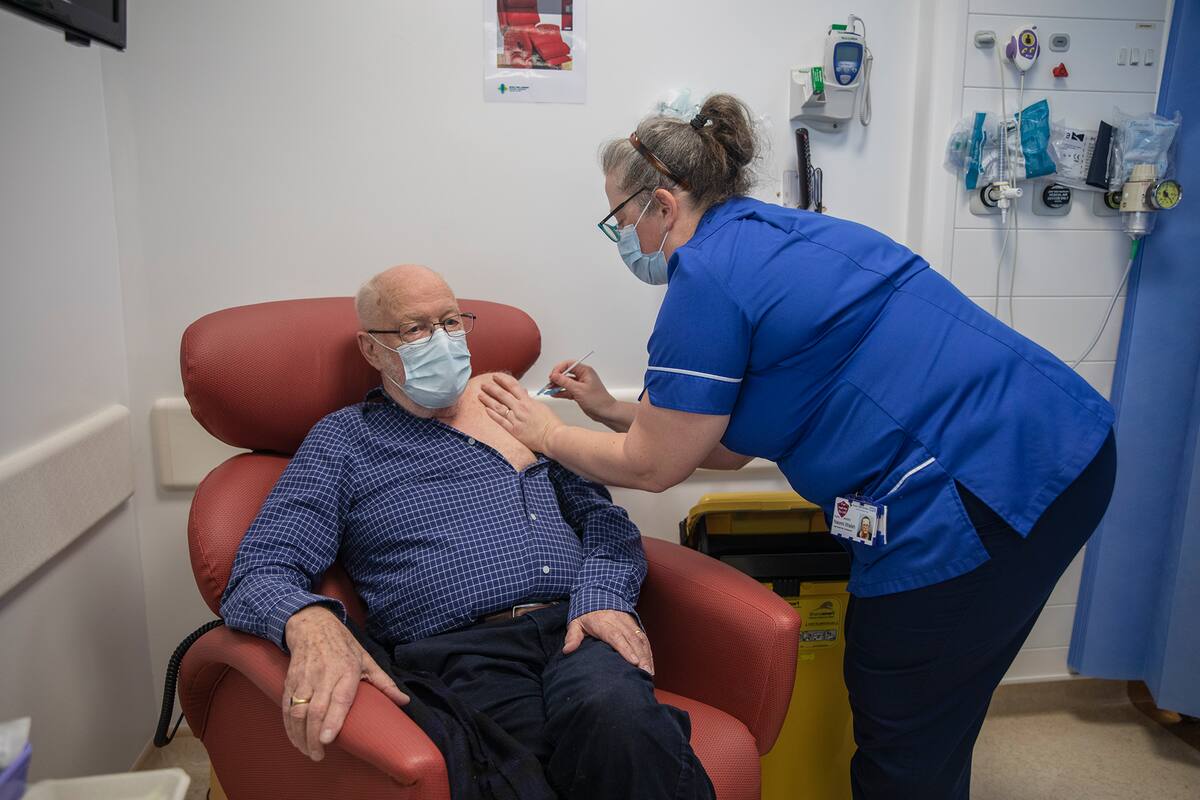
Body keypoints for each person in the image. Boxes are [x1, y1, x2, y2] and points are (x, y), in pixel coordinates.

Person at [480, 94, 1118, 799]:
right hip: (1064, 440)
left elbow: (657, 467)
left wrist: (546, 434)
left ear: (662, 203)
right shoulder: (779, 233)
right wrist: (607, 410)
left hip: (975, 486)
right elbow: (715, 445)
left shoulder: (707, 281)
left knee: (901, 713)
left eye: (620, 219)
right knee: (939, 703)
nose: (622, 235)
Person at [221, 265, 714, 800]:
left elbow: (604, 520)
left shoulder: (513, 415)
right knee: (518, 773)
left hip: (576, 624)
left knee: (619, 720)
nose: (442, 341)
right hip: (462, 652)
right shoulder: (344, 442)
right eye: (415, 329)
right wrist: (307, 620)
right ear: (371, 350)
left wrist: (601, 597)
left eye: (452, 322)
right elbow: (261, 568)